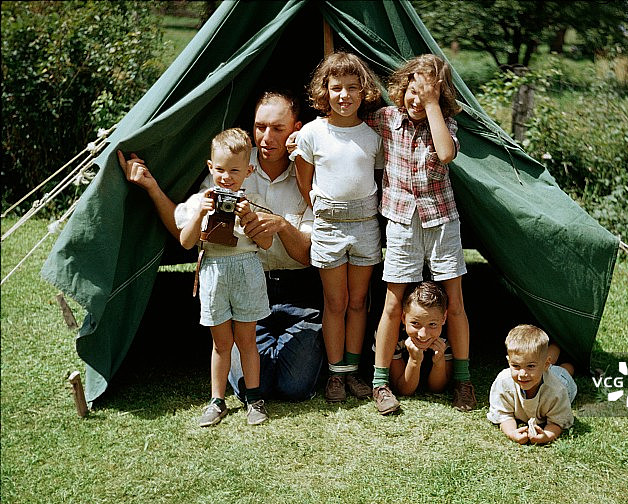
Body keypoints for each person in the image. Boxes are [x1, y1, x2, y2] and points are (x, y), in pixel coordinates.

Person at [118, 90, 324, 409]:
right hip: (243, 291)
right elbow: (185, 227)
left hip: (298, 294)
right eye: (260, 127)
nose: (267, 137)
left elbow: (309, 255)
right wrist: (151, 186)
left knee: (294, 386)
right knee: (249, 387)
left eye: (278, 129)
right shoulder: (234, 163)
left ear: (297, 127)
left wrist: (282, 226)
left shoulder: (307, 171)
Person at [365, 54, 475, 414]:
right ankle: (380, 383)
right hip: (401, 222)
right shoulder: (387, 119)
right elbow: (347, 126)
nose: (416, 100)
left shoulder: (444, 125)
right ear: (402, 88)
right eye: (412, 91)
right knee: (393, 303)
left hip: (441, 221)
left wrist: (431, 106)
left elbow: (444, 154)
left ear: (440, 96)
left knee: (454, 303)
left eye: (426, 94)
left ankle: (462, 379)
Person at [290, 52, 383, 403]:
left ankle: (353, 371)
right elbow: (304, 181)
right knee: (335, 301)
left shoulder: (372, 136)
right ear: (324, 91)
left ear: (364, 92)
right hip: (329, 226)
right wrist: (322, 210)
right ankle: (334, 373)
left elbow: (375, 176)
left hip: (365, 225)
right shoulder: (313, 133)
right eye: (336, 88)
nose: (344, 95)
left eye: (352, 88)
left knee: (358, 302)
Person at [174, 128, 271, 426]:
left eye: (234, 170)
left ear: (249, 171)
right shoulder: (202, 200)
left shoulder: (252, 200)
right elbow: (186, 242)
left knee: (247, 341)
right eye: (220, 169)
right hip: (214, 271)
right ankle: (217, 401)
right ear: (209, 167)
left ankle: (254, 399)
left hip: (246, 269)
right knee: (220, 343)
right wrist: (198, 214)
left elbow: (265, 244)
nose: (226, 177)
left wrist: (249, 217)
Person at [486, 324, 577, 445]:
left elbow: (557, 422)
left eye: (530, 366)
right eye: (516, 366)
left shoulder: (557, 390)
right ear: (509, 362)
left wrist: (547, 436)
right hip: (541, 371)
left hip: (561, 379)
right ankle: (553, 348)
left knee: (565, 369)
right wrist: (512, 432)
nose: (522, 374)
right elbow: (503, 415)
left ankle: (559, 343)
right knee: (541, 359)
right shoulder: (503, 382)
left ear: (545, 364)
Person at [389, 281, 453, 396]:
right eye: (415, 323)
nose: (423, 334)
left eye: (432, 324)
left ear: (444, 318)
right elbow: (403, 390)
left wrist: (439, 361)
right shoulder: (394, 338)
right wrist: (414, 361)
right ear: (403, 317)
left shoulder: (445, 338)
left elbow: (437, 389)